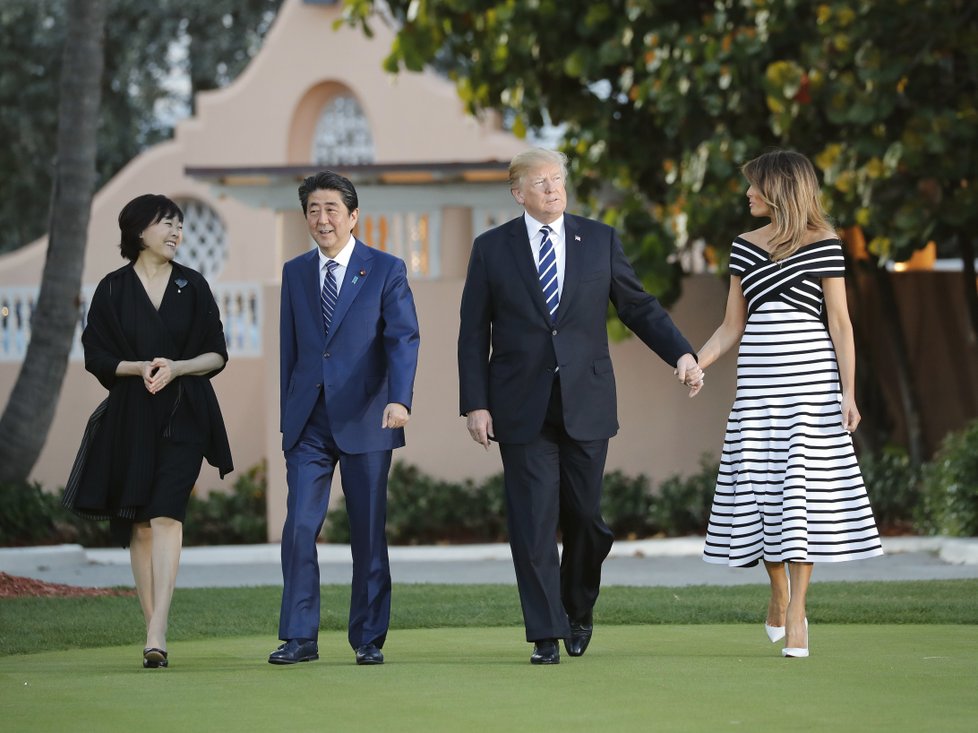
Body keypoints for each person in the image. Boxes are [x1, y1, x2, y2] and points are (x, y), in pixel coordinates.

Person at [458, 148, 702, 664]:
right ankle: (546, 633)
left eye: (557, 179)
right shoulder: (491, 249)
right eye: (540, 182)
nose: (551, 189)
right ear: (517, 192)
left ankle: (578, 607)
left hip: (586, 402)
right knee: (533, 523)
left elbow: (637, 306)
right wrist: (475, 404)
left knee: (587, 520)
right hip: (519, 406)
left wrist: (680, 352)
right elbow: (472, 333)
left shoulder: (599, 240)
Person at [692, 150, 883, 658]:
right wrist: (697, 362)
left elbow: (840, 324)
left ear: (779, 189)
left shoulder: (826, 244)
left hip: (811, 386)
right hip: (758, 385)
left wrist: (848, 392)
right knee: (759, 491)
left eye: (755, 186)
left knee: (801, 495)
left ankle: (797, 612)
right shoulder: (742, 246)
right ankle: (777, 590)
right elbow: (732, 326)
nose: (748, 194)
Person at [64, 194, 233, 669]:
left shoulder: (193, 285)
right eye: (166, 224)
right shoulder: (113, 289)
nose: (176, 232)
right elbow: (95, 355)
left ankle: (158, 628)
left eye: (179, 225)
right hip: (130, 415)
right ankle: (152, 633)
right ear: (139, 232)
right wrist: (137, 367)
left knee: (166, 515)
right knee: (139, 524)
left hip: (186, 413)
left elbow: (217, 353)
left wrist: (177, 367)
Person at [269, 171, 420, 666]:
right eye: (313, 209)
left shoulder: (385, 269)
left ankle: (368, 639)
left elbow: (403, 339)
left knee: (368, 534)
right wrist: (288, 418)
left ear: (354, 216)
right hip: (309, 423)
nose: (322, 218)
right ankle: (299, 636)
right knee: (299, 528)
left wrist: (400, 400)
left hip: (370, 419)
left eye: (332, 209)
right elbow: (289, 352)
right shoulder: (294, 273)